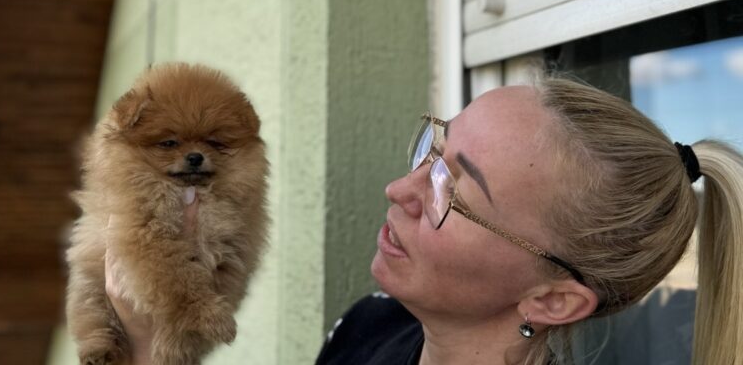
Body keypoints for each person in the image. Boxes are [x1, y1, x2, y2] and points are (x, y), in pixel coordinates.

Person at [107, 77, 743, 364]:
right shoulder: (368, 327)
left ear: (550, 298)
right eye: (433, 152)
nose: (398, 189)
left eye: (453, 189)